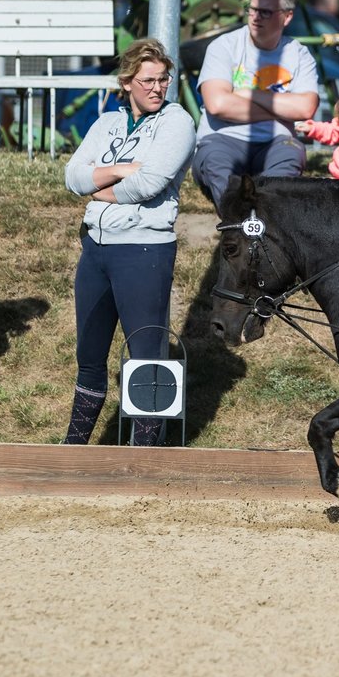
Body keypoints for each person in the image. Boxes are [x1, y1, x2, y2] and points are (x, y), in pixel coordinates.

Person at [62, 39, 196, 446]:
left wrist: (100, 184)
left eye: (164, 80)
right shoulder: (106, 123)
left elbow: (151, 183)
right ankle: (73, 449)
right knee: (89, 357)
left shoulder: (177, 121)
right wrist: (121, 168)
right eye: (148, 80)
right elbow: (72, 178)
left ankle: (144, 457)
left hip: (144, 249)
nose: (158, 88)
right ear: (126, 83)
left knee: (147, 360)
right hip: (96, 250)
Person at [192, 0, 320, 210]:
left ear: (287, 16)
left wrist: (247, 94)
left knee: (288, 164)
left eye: (265, 12)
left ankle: (267, 222)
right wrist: (279, 111)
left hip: (278, 142)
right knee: (217, 165)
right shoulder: (224, 46)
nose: (255, 17)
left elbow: (305, 108)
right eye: (251, 9)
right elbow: (218, 105)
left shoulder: (299, 55)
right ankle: (238, 221)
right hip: (222, 138)